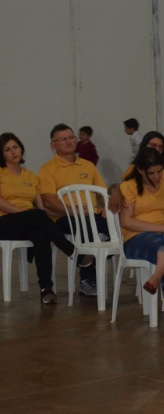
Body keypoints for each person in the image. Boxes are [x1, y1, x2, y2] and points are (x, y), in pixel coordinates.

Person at [0, 132, 75, 304]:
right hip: (4, 222)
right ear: (1, 153)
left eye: (16, 147)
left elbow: (42, 210)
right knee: (36, 217)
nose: (13, 152)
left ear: (21, 148)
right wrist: (25, 214)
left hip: (29, 222)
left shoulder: (31, 176)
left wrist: (69, 212)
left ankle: (46, 288)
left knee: (41, 234)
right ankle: (70, 250)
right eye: (7, 149)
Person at [118, 148, 164, 331]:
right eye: (151, 173)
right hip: (137, 237)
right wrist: (160, 228)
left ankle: (156, 277)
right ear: (141, 170)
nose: (157, 177)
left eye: (159, 171)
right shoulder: (130, 186)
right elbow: (126, 221)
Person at [38, 123, 108, 298]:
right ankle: (87, 279)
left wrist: (105, 207)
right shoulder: (48, 169)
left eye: (71, 137)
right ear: (53, 145)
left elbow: (102, 192)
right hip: (65, 218)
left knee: (119, 229)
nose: (68, 142)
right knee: (90, 229)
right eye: (62, 139)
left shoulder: (88, 166)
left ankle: (87, 260)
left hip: (92, 215)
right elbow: (48, 200)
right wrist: (73, 210)